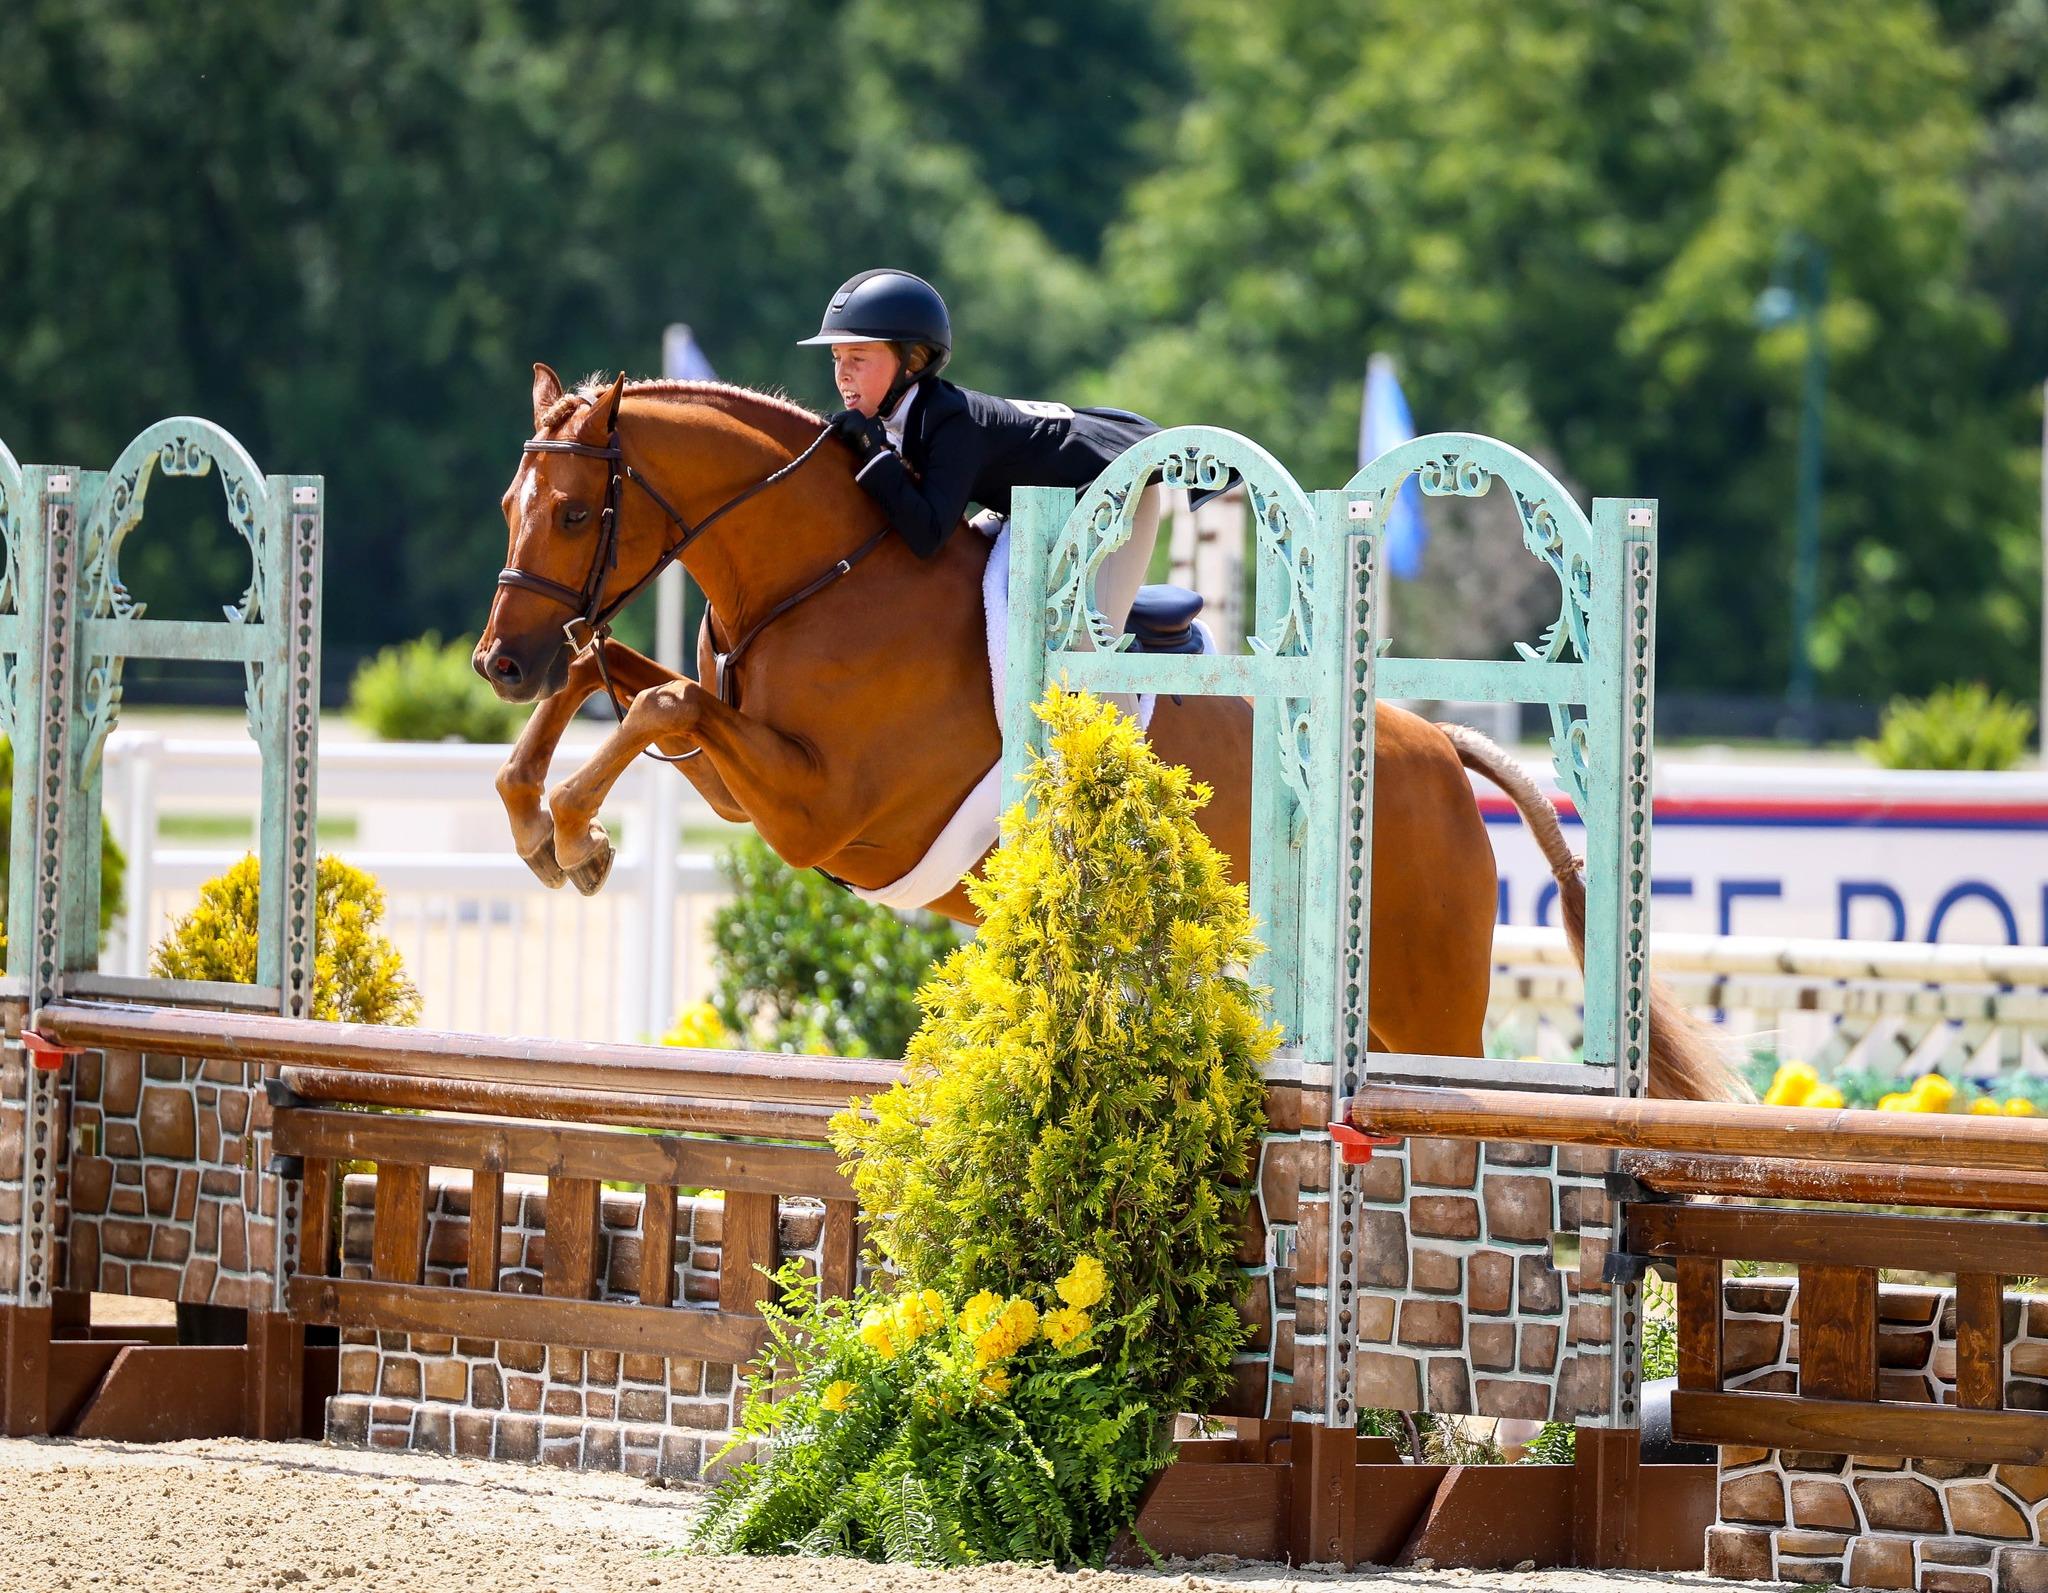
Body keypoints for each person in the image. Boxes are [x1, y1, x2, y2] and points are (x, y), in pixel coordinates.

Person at [799, 268, 1165, 644]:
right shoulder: (901, 416)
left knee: (1086, 652)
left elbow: (927, 536)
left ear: (911, 362)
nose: (842, 374)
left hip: (1115, 489)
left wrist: (874, 456)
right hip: (1034, 505)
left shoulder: (951, 421)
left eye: (857, 358)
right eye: (836, 358)